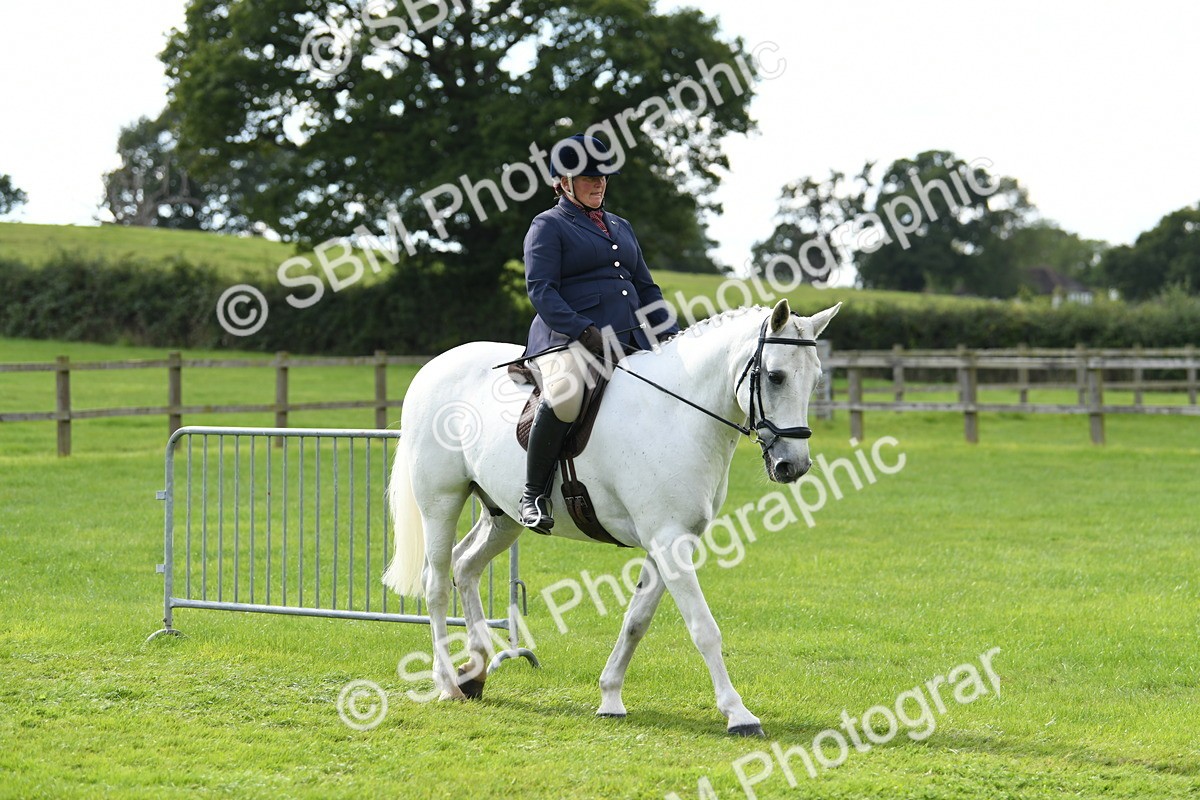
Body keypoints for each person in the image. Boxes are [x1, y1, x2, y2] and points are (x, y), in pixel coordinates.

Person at [517, 133, 680, 532]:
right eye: (589, 177)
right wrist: (582, 330)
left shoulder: (621, 226)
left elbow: (645, 288)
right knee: (566, 395)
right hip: (567, 340)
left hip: (627, 339)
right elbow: (542, 290)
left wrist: (673, 336)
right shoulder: (548, 225)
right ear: (563, 182)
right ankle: (532, 494)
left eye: (604, 176)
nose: (599, 183)